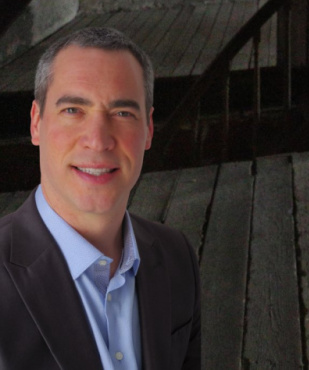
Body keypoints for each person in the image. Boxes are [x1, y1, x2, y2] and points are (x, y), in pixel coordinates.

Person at [0, 26, 201, 369]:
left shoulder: (177, 256)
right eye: (73, 110)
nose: (97, 140)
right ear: (36, 123)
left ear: (148, 130)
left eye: (122, 113)